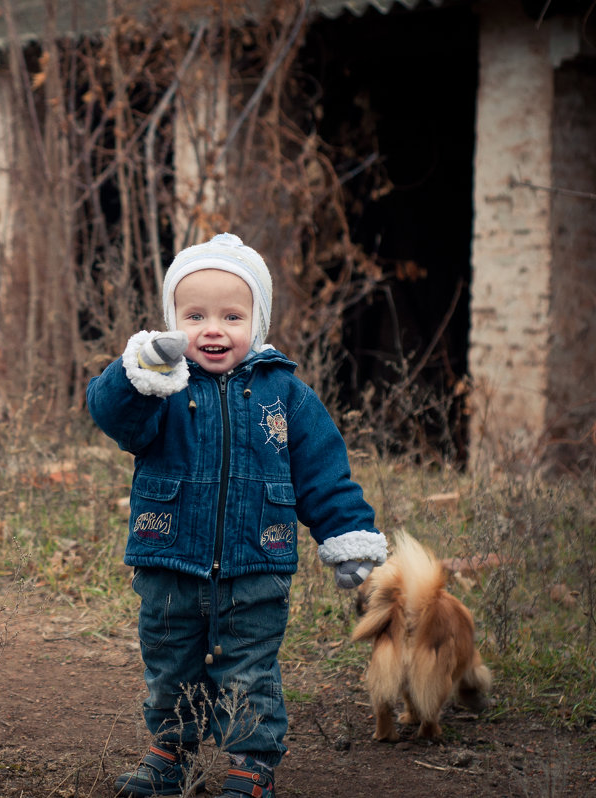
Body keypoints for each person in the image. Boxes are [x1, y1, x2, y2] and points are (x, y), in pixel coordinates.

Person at [86, 232, 388, 797]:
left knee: (249, 669)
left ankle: (251, 764)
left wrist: (348, 535)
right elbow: (111, 415)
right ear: (171, 319)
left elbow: (324, 473)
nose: (213, 329)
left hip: (257, 564)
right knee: (169, 661)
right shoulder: (160, 389)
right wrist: (138, 371)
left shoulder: (287, 396)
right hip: (169, 556)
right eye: (194, 314)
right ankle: (168, 754)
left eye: (231, 315)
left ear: (259, 322)